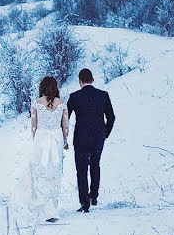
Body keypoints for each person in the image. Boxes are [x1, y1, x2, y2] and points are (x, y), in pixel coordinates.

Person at [16, 76, 69, 223]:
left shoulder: (36, 104)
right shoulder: (62, 103)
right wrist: (64, 141)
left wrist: (36, 140)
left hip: (41, 140)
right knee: (54, 173)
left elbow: (34, 126)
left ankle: (44, 210)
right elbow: (65, 125)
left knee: (40, 173)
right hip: (56, 140)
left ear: (42, 87)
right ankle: (53, 209)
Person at [66, 68, 115, 213]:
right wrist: (105, 133)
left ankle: (84, 203)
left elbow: (65, 118)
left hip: (81, 138)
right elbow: (111, 117)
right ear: (92, 80)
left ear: (80, 81)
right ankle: (94, 196)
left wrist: (63, 135)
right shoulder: (103, 95)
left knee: (81, 170)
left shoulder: (74, 97)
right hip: (98, 137)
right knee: (95, 165)